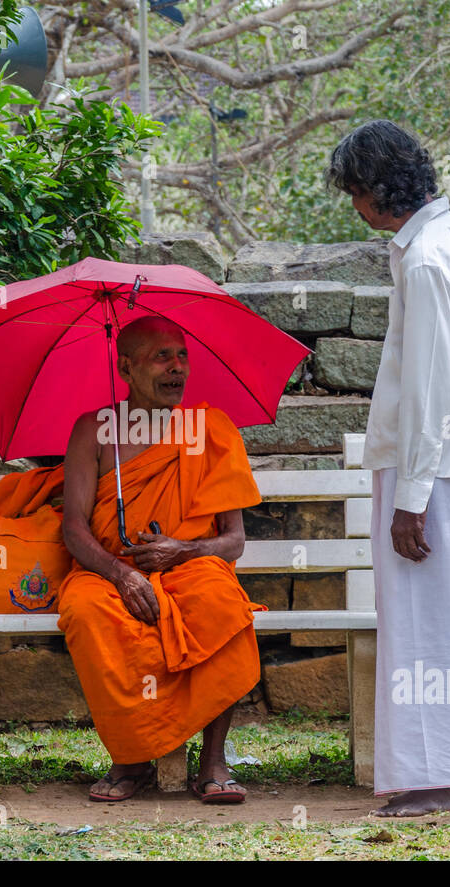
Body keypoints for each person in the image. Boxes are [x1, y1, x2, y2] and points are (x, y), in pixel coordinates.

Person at [325, 119, 450, 816]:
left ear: (376, 190)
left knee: (427, 619)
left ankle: (442, 778)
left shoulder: (428, 256)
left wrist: (412, 496)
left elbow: (433, 386)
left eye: (354, 192)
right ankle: (449, 770)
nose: (354, 207)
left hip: (426, 469)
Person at [58, 315, 264, 804]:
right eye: (161, 357)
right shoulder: (95, 429)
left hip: (191, 566)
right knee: (89, 613)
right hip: (107, 570)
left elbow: (233, 541)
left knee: (222, 605)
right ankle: (131, 760)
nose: (177, 368)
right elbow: (73, 528)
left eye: (182, 355)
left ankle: (212, 761)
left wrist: (183, 550)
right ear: (125, 367)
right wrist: (123, 573)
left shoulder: (210, 430)